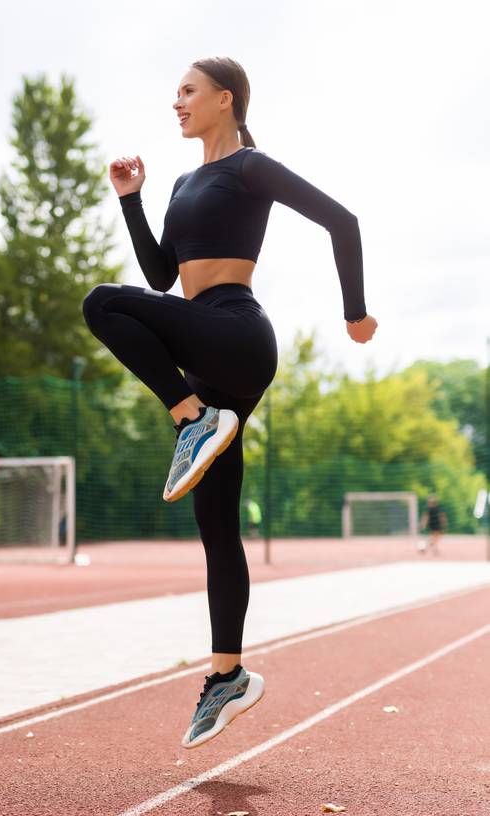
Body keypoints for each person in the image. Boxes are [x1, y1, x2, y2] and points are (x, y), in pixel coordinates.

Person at [82, 56, 377, 749]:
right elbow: (161, 275)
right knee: (216, 523)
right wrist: (132, 197)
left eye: (186, 91)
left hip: (238, 335)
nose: (176, 101)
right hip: (207, 353)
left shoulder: (251, 168)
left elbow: (344, 221)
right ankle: (228, 676)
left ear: (225, 99)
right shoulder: (185, 180)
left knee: (101, 304)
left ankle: (192, 419)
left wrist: (355, 313)